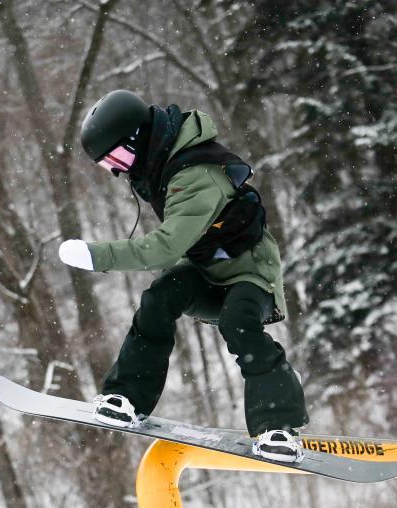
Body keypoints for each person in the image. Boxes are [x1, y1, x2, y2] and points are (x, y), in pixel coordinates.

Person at [58, 90, 308, 462]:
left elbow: (164, 248)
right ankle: (127, 396)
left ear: (138, 139)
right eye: (106, 164)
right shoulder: (163, 167)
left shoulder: (195, 174)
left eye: (118, 157)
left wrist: (97, 255)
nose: (116, 170)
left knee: (239, 321)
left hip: (251, 272)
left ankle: (278, 426)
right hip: (208, 271)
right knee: (160, 297)